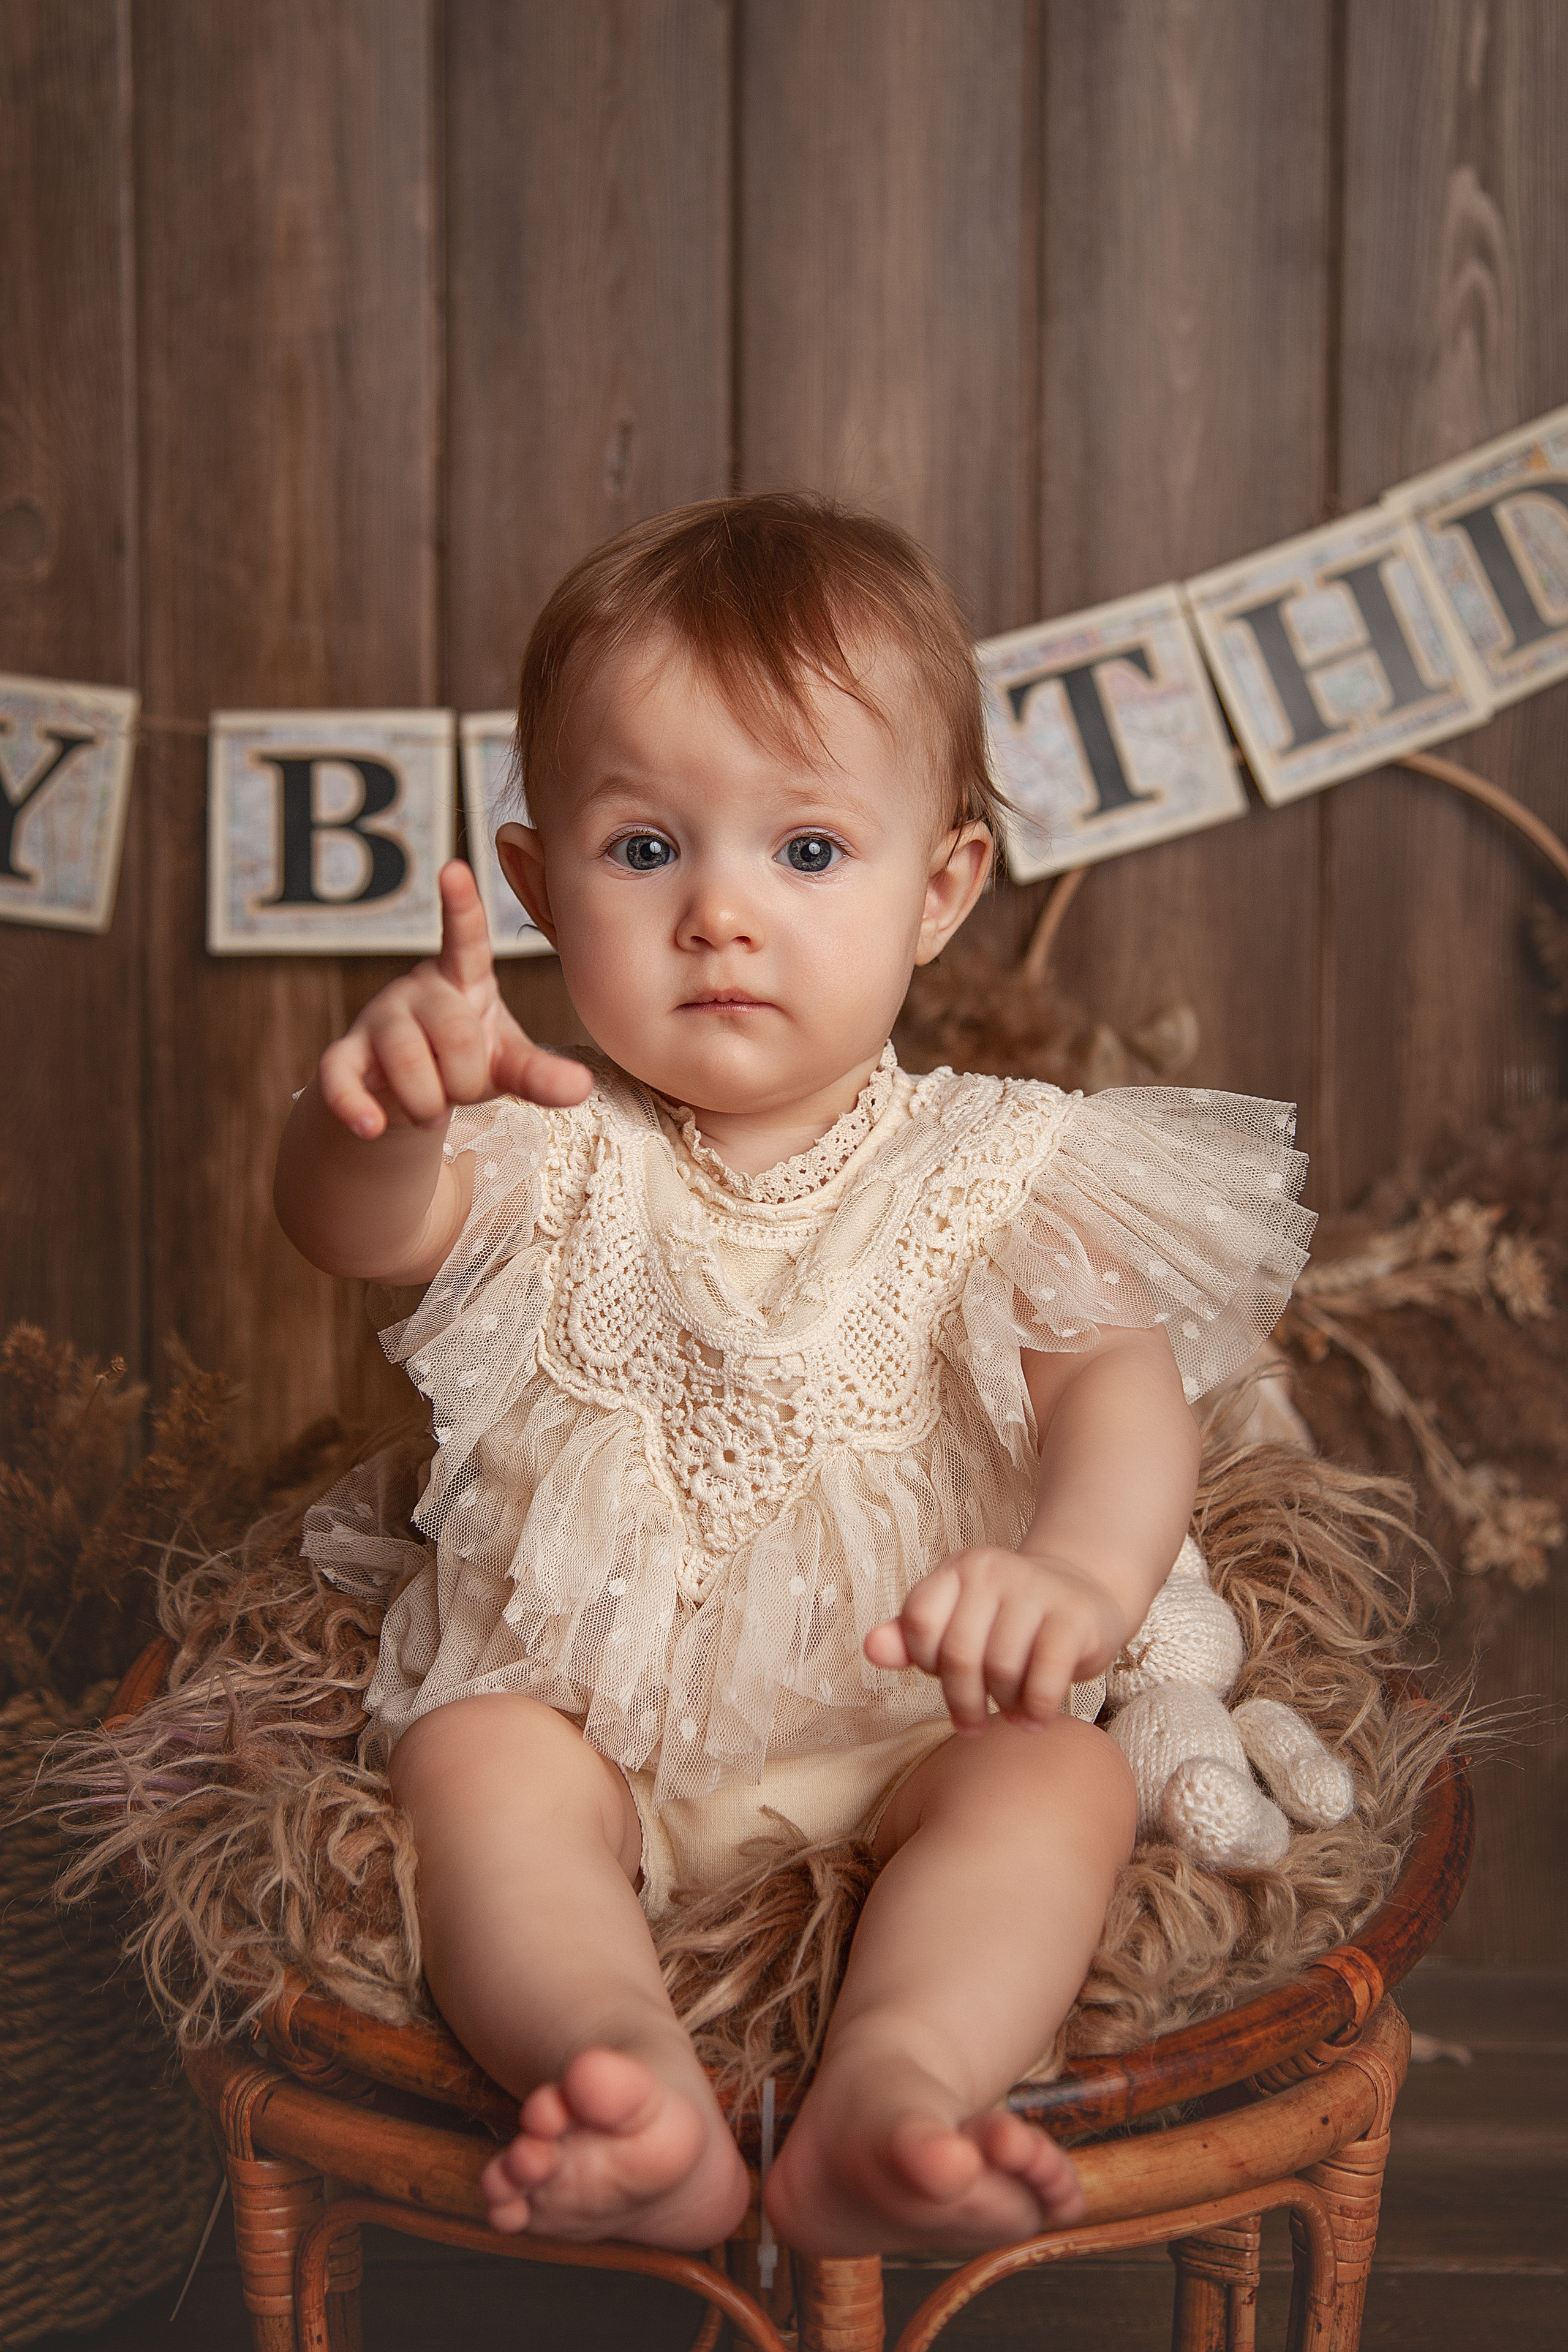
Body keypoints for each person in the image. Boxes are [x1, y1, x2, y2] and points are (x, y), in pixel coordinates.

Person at [273, 493, 1313, 2259]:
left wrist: (1076, 1575)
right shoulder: (546, 1138)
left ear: (941, 889)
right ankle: (619, 2074)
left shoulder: (1005, 1163)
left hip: (914, 1716)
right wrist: (373, 1107)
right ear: (536, 888)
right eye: (644, 849)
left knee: (1057, 1781)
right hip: (588, 1716)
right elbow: (354, 1227)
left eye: (809, 851)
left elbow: (1119, 1396)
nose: (721, 916)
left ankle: (900, 2087)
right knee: (474, 1767)